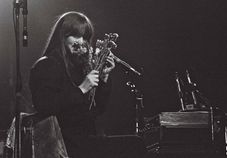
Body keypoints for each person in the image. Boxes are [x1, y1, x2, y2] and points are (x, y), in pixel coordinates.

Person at [29, 11, 146, 158]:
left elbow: (96, 111)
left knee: (136, 143)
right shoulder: (46, 65)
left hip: (83, 141)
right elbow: (44, 106)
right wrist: (82, 89)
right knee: (134, 146)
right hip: (61, 144)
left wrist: (104, 78)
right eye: (76, 35)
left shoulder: (79, 67)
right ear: (63, 36)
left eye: (85, 37)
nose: (82, 42)